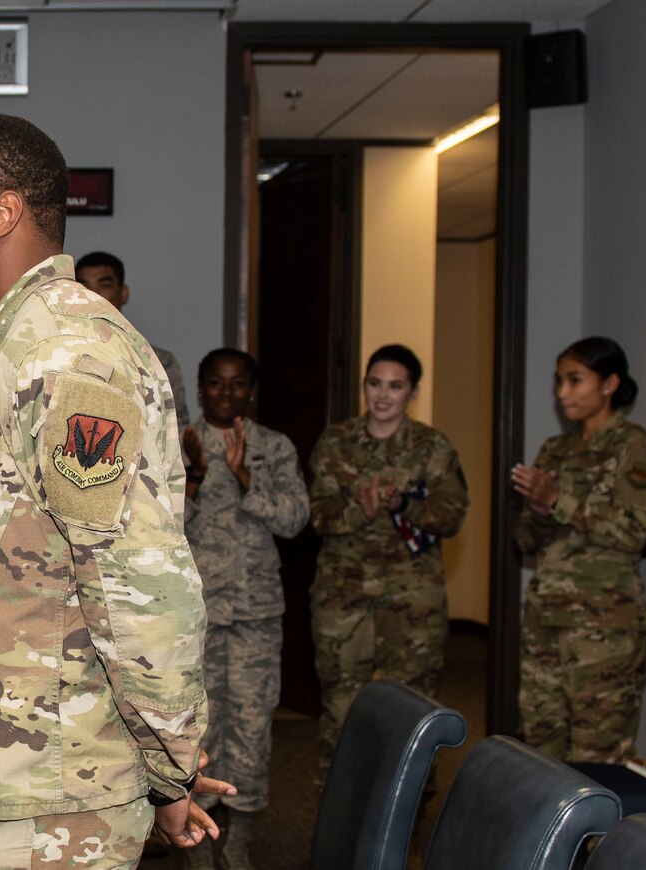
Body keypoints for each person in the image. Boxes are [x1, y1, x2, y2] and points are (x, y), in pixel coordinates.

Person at [0, 112, 216, 868]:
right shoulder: (19, 347)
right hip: (20, 781)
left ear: (2, 212)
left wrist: (170, 765)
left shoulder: (67, 355)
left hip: (49, 801)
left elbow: (136, 586)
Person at [307, 344, 468, 773]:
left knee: (413, 713)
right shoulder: (336, 443)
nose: (383, 395)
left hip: (411, 600)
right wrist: (364, 509)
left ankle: (410, 825)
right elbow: (318, 516)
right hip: (344, 598)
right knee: (342, 708)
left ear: (412, 392)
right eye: (374, 383)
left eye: (395, 386)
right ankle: (339, 821)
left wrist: (404, 504)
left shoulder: (431, 447)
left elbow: (452, 516)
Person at [178, 349, 308, 870]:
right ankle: (196, 839)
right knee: (198, 728)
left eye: (237, 385)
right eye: (215, 383)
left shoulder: (273, 447)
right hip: (197, 613)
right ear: (202, 386)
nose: (225, 394)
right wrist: (198, 476)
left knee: (252, 726)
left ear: (251, 391)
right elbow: (154, 526)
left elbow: (296, 518)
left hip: (256, 614)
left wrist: (246, 479)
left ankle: (240, 838)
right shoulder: (179, 441)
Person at [512, 336, 646, 761]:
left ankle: (601, 835)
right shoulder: (555, 450)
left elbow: (631, 532)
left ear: (610, 383)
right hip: (546, 623)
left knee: (596, 764)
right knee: (540, 759)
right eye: (559, 381)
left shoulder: (637, 447)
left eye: (575, 380)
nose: (563, 394)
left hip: (605, 631)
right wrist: (541, 509)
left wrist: (559, 501)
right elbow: (524, 540)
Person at [74, 251, 191, 430]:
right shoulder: (63, 355)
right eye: (84, 286)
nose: (93, 294)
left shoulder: (157, 362)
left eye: (104, 285)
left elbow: (175, 430)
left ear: (123, 293)